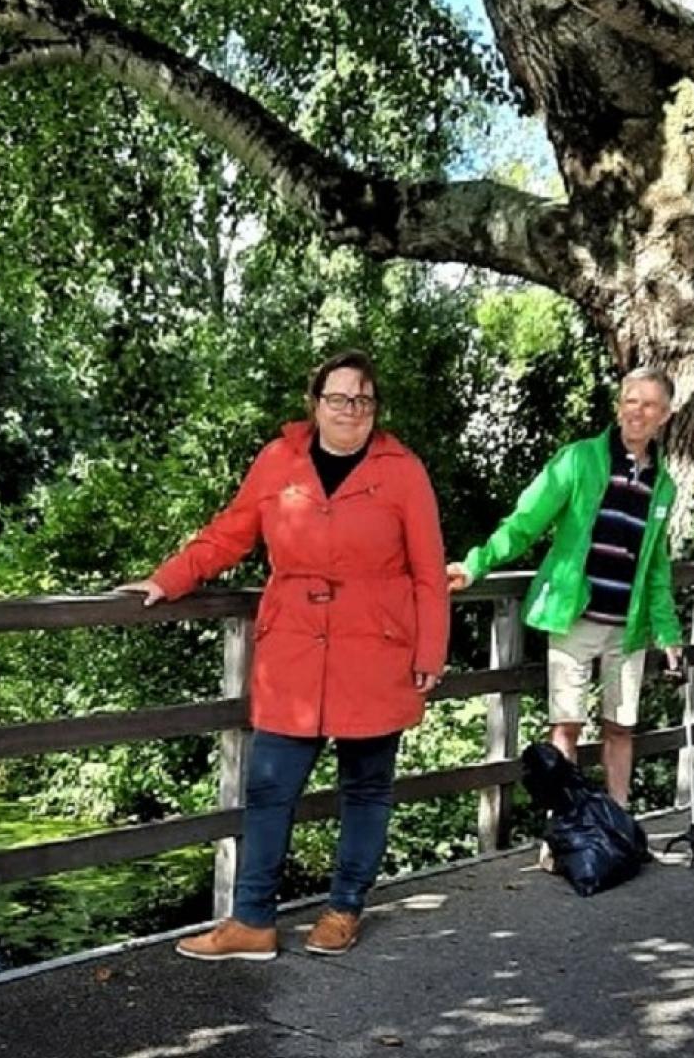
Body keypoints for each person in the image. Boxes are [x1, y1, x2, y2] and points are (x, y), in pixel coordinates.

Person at [119, 350, 448, 961]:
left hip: (376, 651)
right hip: (293, 652)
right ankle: (252, 922)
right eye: (338, 397)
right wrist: (167, 579)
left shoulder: (403, 470)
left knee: (368, 787)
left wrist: (430, 649)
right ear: (314, 403)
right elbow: (229, 532)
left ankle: (344, 908)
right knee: (269, 787)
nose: (351, 409)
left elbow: (429, 570)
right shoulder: (278, 462)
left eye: (363, 399)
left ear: (374, 408)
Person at [446, 367, 683, 813]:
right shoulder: (578, 460)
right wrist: (475, 564)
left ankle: (617, 823)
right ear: (619, 405)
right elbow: (524, 523)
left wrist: (668, 633)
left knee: (620, 728)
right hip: (574, 618)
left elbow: (656, 567)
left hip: (628, 628)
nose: (637, 411)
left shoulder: (663, 485)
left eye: (649, 404)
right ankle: (565, 827)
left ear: (665, 416)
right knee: (566, 727)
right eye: (630, 400)